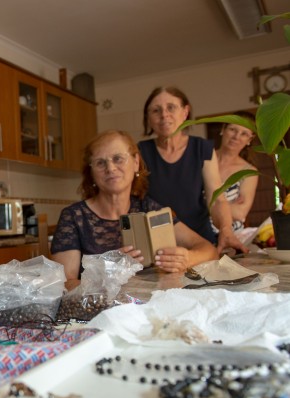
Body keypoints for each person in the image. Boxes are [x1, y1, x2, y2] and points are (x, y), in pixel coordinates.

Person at [51, 130, 217, 281]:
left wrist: (188, 258)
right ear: (91, 172)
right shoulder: (73, 217)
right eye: (100, 163)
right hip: (99, 312)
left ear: (136, 162)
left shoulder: (148, 208)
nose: (110, 168)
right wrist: (104, 272)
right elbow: (65, 285)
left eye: (118, 159)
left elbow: (209, 250)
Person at [139, 86, 247, 254]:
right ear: (149, 118)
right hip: (157, 246)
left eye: (171, 107)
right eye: (156, 110)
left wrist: (226, 230)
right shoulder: (139, 152)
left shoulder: (201, 147)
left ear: (185, 112)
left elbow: (217, 198)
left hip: (200, 244)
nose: (164, 115)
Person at [214, 112, 258, 231]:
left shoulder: (249, 171)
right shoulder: (202, 158)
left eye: (244, 134)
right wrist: (228, 206)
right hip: (196, 234)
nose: (236, 137)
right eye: (233, 129)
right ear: (223, 129)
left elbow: (240, 213)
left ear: (249, 139)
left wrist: (202, 203)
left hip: (231, 236)